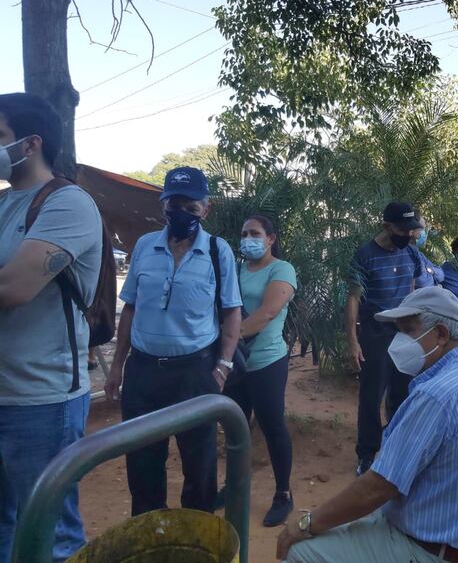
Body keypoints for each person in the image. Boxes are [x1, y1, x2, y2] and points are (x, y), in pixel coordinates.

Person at [277, 287, 458, 563]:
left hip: (438, 550)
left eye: (409, 330)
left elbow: (377, 487)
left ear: (441, 334)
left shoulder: (436, 395)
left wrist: (306, 524)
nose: (400, 341)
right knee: (344, 522)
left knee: (300, 552)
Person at [0, 93, 103, 563]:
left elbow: (15, 286)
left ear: (30, 143)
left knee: (50, 531)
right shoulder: (4, 205)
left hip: (43, 400)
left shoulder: (67, 203)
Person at [104, 166, 242, 516]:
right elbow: (130, 308)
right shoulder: (145, 246)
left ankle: (196, 538)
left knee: (200, 467)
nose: (181, 213)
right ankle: (153, 537)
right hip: (143, 373)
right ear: (163, 204)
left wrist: (223, 367)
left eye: (190, 207)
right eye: (173, 204)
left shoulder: (217, 250)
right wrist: (117, 367)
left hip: (194, 373)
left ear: (205, 209)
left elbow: (231, 312)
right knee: (143, 465)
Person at [346, 202, 422, 476]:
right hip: (375, 335)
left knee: (403, 394)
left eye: (412, 230)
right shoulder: (364, 256)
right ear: (386, 226)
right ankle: (366, 453)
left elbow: (412, 289)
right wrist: (353, 341)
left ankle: (397, 448)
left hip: (405, 334)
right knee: (371, 397)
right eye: (404, 229)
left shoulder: (411, 253)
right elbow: (353, 298)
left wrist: (415, 327)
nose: (410, 235)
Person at [232, 215, 297, 526]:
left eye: (255, 233)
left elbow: (268, 311)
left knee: (272, 427)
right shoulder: (236, 269)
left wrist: (226, 339)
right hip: (234, 363)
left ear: (270, 239)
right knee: (235, 427)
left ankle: (283, 494)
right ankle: (233, 487)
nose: (248, 238)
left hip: (266, 362)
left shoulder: (281, 269)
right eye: (244, 233)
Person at [412, 216, 444, 289]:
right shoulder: (406, 255)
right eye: (422, 228)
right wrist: (431, 272)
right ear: (411, 230)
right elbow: (423, 283)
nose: (425, 233)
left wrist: (430, 270)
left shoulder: (420, 254)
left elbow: (441, 275)